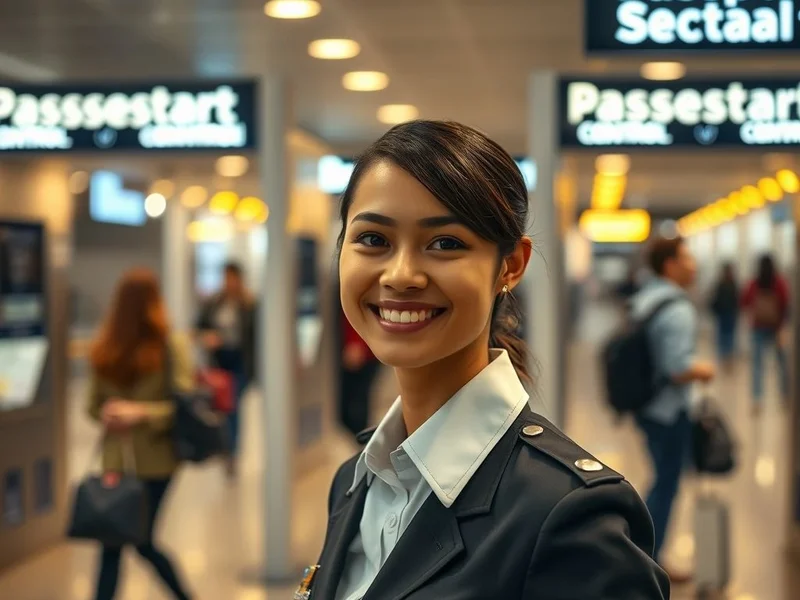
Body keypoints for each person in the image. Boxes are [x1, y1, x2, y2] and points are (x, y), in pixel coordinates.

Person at [304, 121, 669, 600]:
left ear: (511, 265)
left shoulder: (568, 515)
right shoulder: (354, 483)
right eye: (373, 239)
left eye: (446, 243)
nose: (401, 275)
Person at [87, 268, 194, 600]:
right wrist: (109, 413)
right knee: (118, 544)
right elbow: (92, 406)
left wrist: (139, 413)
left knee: (134, 540)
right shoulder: (107, 347)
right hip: (122, 461)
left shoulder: (166, 346)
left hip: (153, 463)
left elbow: (183, 407)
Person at [631, 236, 715, 583]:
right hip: (669, 411)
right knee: (666, 485)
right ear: (670, 265)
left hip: (646, 405)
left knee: (661, 480)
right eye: (686, 257)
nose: (693, 264)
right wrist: (705, 370)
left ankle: (646, 552)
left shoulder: (646, 298)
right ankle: (649, 561)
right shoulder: (677, 307)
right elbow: (677, 368)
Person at [196, 261, 257, 476]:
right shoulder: (214, 302)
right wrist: (208, 338)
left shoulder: (249, 304)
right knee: (222, 408)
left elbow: (256, 337)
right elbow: (199, 327)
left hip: (240, 362)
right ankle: (225, 448)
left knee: (234, 409)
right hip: (219, 363)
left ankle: (231, 451)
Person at [741, 253, 790, 411]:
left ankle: (757, 399)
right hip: (776, 327)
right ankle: (785, 396)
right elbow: (785, 303)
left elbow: (745, 301)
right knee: (782, 364)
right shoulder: (779, 282)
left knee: (757, 365)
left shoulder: (755, 282)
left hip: (758, 327)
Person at [338, 302, 382, 440]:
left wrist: (355, 341)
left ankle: (357, 439)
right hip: (358, 349)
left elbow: (358, 307)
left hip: (361, 352)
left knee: (356, 401)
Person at [709, 262, 740, 368]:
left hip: (723, 313)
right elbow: (737, 300)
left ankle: (723, 356)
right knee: (729, 335)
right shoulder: (733, 284)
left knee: (722, 335)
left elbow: (715, 298)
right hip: (730, 313)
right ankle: (728, 356)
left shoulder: (721, 283)